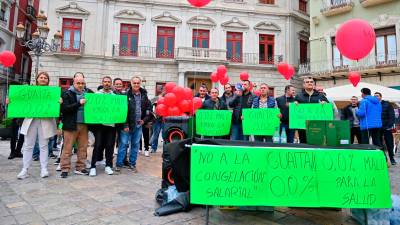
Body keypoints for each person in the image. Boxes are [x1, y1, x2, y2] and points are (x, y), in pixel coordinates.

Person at [15, 72, 58, 179]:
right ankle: (25, 169)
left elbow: (55, 108)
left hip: (45, 121)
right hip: (31, 120)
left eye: (45, 78)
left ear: (48, 80)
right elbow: (19, 102)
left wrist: (59, 102)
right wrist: (11, 101)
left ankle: (44, 168)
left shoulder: (52, 93)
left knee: (44, 145)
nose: (43, 79)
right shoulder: (29, 91)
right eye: (41, 77)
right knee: (28, 145)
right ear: (37, 79)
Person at [115, 76, 152, 172]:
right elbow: (122, 111)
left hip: (138, 125)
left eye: (138, 83)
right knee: (123, 144)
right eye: (134, 83)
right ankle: (119, 164)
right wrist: (125, 124)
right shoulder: (125, 95)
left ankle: (132, 164)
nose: (136, 85)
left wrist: (144, 120)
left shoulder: (144, 95)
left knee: (135, 145)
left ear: (140, 84)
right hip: (127, 126)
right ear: (131, 83)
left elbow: (149, 109)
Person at [59, 74, 92, 178]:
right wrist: (79, 103)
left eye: (82, 83)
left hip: (84, 125)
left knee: (83, 148)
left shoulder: (88, 93)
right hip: (70, 125)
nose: (81, 85)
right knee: (67, 148)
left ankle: (81, 167)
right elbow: (65, 109)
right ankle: (65, 168)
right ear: (74, 83)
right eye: (78, 83)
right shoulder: (67, 93)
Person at [89, 76, 117, 177]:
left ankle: (108, 165)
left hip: (111, 124)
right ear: (102, 83)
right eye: (105, 82)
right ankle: (93, 166)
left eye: (109, 82)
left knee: (110, 145)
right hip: (99, 125)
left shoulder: (115, 97)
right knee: (98, 145)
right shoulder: (96, 95)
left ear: (111, 84)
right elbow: (92, 109)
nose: (107, 83)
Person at [294, 77, 329, 144]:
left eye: (311, 82)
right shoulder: (298, 96)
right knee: (303, 144)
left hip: (317, 126)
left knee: (317, 143)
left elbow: (328, 109)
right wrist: (294, 104)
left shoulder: (321, 96)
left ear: (314, 84)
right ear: (303, 85)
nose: (309, 83)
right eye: (307, 82)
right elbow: (294, 111)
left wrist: (325, 104)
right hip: (303, 126)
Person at [374, 92, 396, 165]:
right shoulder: (373, 105)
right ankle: (383, 158)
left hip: (386, 127)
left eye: (377, 96)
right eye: (375, 96)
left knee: (389, 143)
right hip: (377, 127)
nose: (376, 97)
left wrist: (389, 126)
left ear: (381, 97)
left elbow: (392, 116)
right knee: (378, 143)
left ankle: (392, 158)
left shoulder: (387, 104)